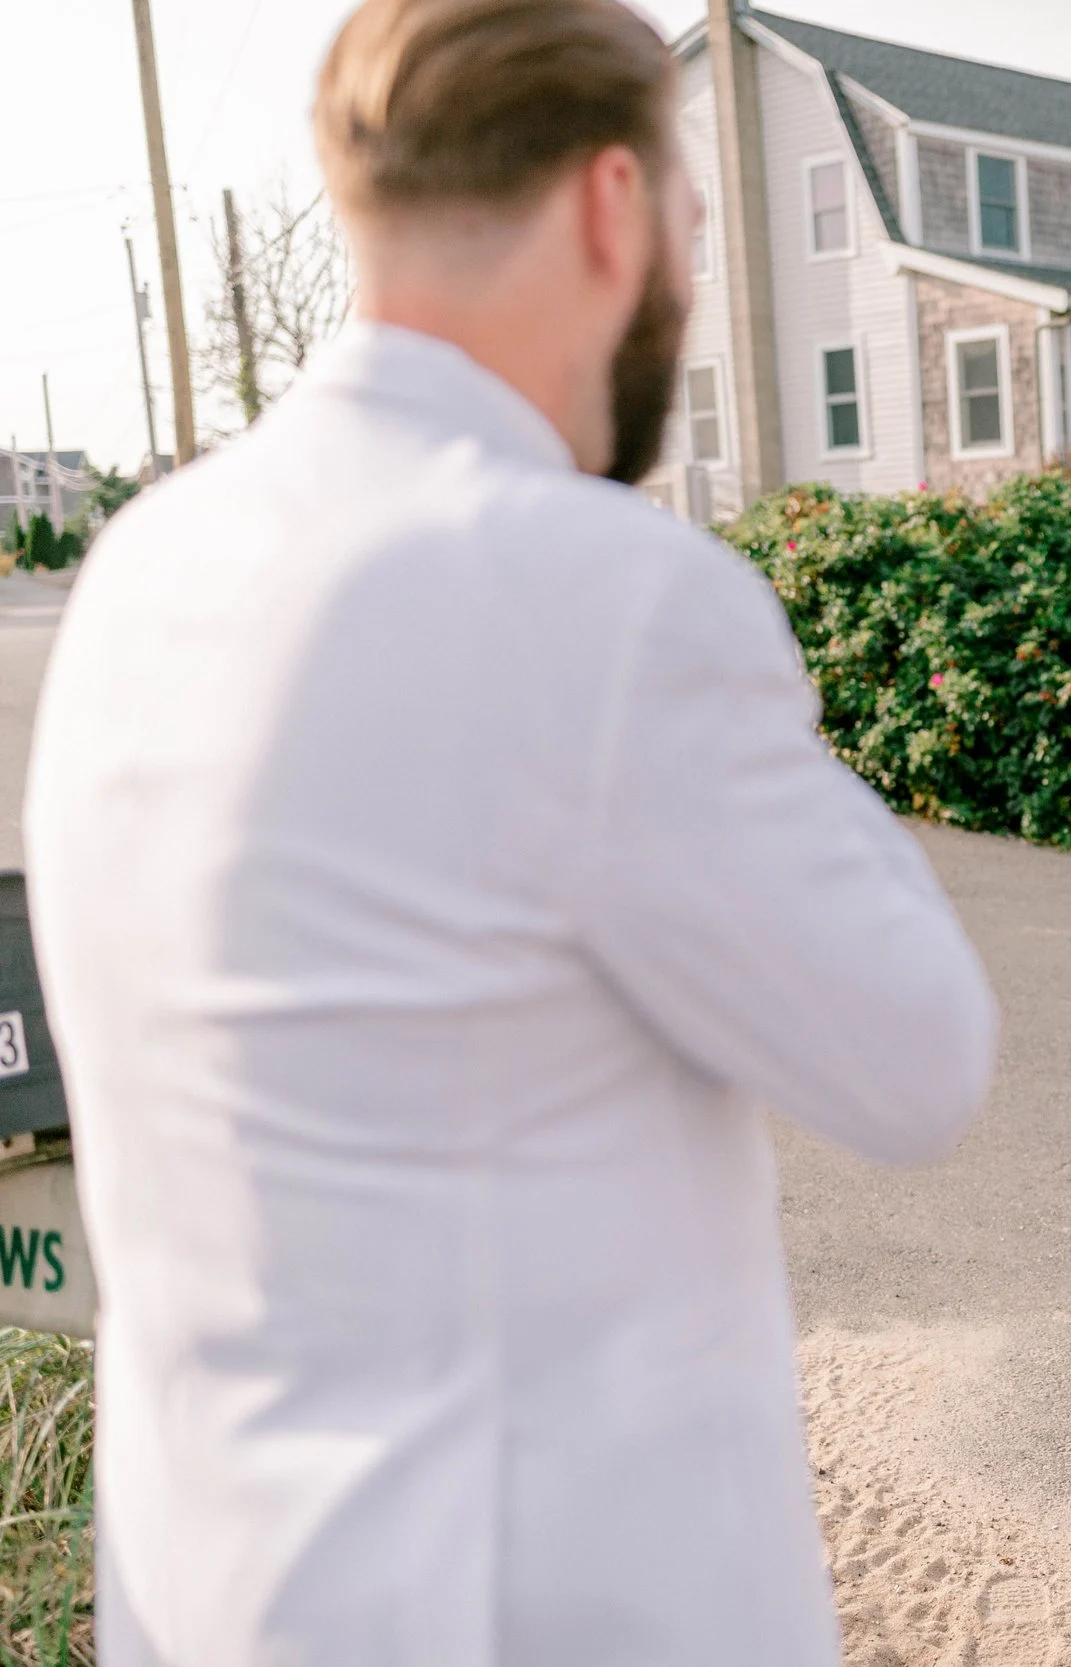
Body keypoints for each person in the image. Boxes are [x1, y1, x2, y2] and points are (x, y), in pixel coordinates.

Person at [24, 1, 996, 1660]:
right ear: (615, 204)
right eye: (691, 208)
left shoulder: (139, 572)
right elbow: (921, 1056)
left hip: (214, 1601)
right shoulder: (604, 593)